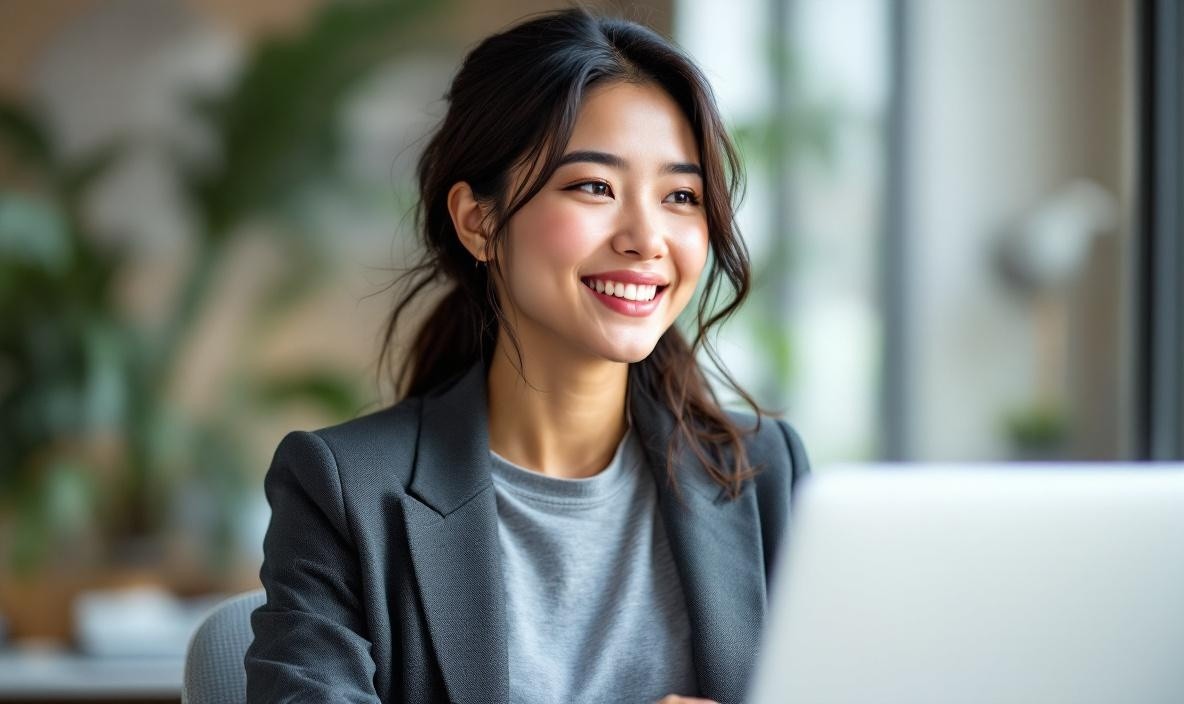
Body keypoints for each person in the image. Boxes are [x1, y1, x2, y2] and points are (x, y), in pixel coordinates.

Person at [245, 8, 809, 704]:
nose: (646, 237)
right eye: (594, 186)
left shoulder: (766, 475)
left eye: (681, 196)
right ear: (479, 221)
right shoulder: (343, 491)